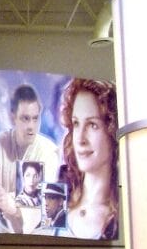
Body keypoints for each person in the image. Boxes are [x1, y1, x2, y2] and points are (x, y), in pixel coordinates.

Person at [46, 78, 119, 239]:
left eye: (92, 125)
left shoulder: (120, 217)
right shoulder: (56, 195)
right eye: (76, 124)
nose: (80, 139)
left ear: (112, 131)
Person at [0, 83, 61, 204]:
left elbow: (48, 204)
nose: (31, 126)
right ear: (12, 118)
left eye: (35, 118)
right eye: (25, 119)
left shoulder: (50, 152)